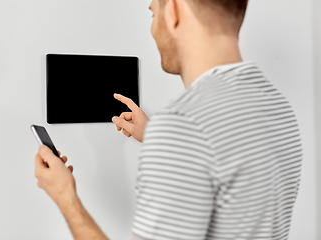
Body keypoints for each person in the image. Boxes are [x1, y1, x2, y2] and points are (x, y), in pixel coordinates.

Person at [34, 0, 302, 239]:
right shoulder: (277, 107)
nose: (152, 29)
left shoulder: (183, 123)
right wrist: (157, 137)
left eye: (153, 13)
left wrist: (65, 196)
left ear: (173, 10)